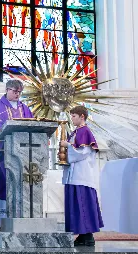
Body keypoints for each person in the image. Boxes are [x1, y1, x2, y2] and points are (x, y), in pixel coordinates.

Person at [0, 79, 33, 228]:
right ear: (7, 90)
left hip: (21, 156)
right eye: (14, 91)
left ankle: (18, 222)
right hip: (1, 156)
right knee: (0, 185)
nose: (17, 94)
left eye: (19, 92)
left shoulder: (25, 108)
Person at [60, 105, 104, 246]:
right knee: (77, 205)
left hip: (82, 174)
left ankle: (88, 236)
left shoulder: (85, 131)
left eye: (74, 116)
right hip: (74, 174)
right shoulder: (75, 132)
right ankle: (82, 235)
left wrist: (67, 146)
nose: (71, 118)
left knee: (83, 204)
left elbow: (82, 153)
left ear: (82, 116)